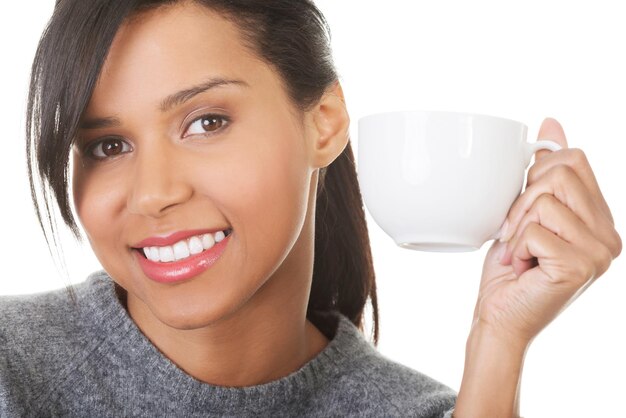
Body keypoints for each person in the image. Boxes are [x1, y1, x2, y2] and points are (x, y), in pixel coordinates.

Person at [0, 0, 621, 417]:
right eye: (108, 145)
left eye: (207, 121)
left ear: (324, 122)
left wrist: (499, 345)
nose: (154, 192)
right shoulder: (13, 365)